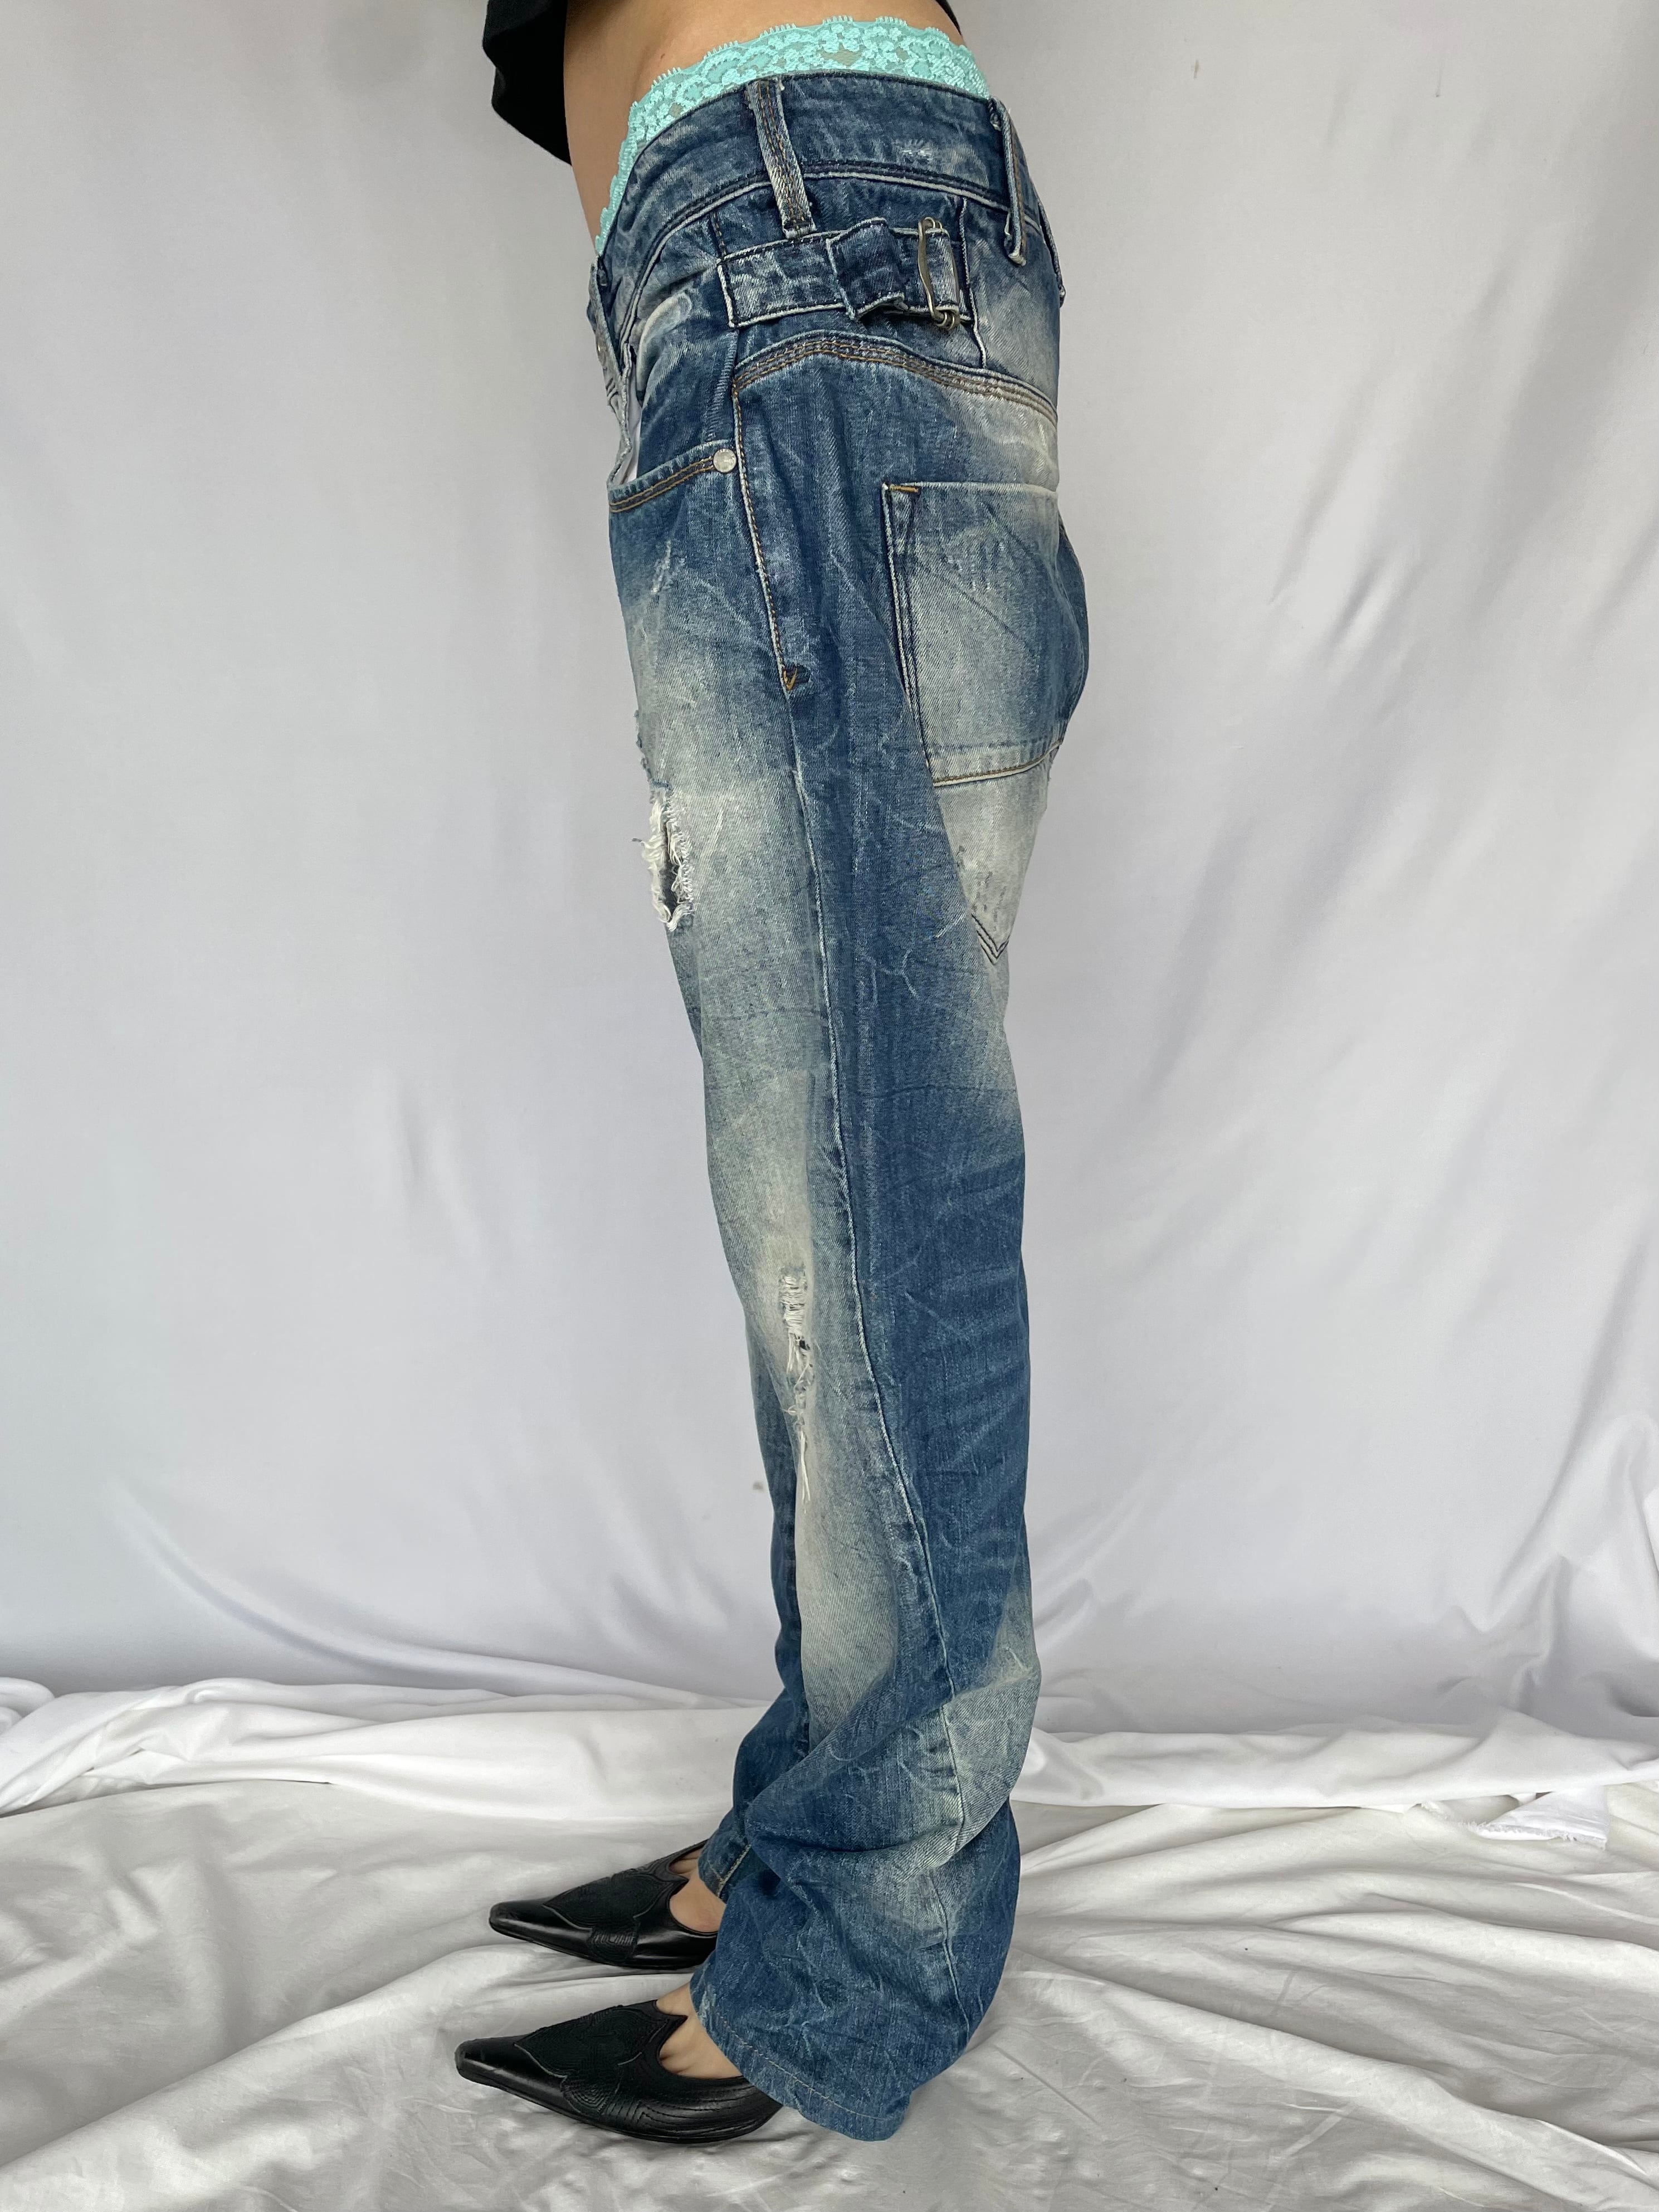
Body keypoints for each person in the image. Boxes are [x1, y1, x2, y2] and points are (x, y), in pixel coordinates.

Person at [453, 0, 1089, 2147]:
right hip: (758, 254)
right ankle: (815, 1825)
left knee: (874, 1184)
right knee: (814, 1190)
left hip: (798, 235)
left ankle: (865, 1944)